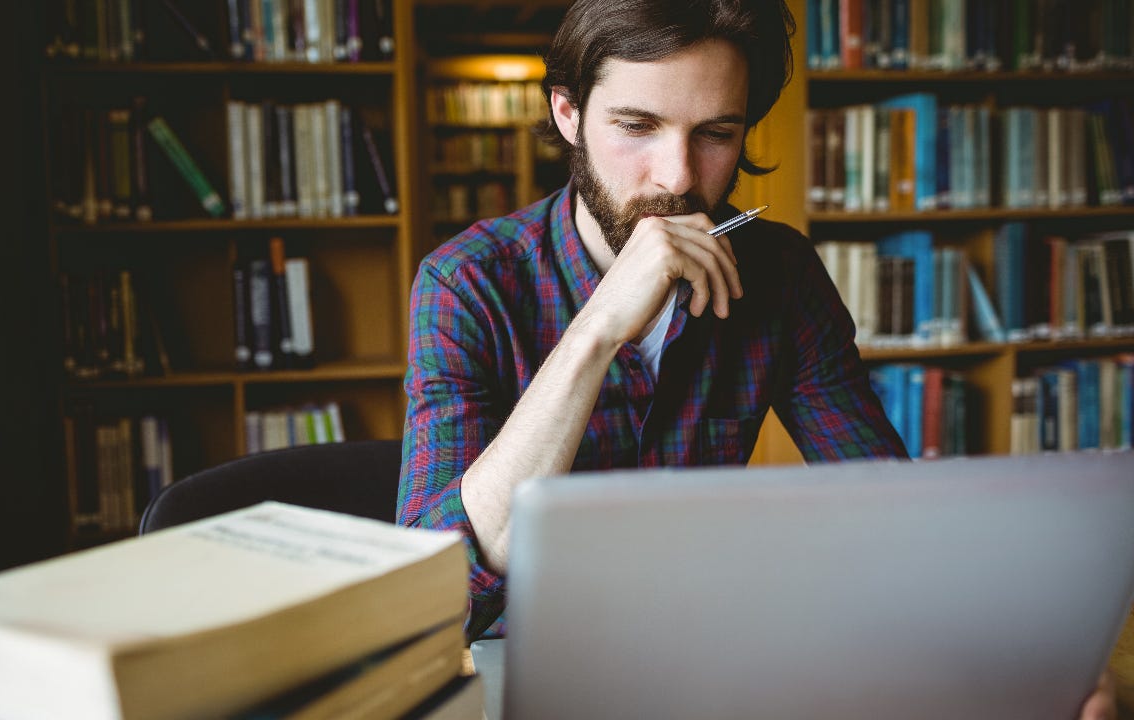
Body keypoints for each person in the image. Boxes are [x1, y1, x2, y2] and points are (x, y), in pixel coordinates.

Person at [396, 0, 1117, 715]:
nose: (677, 178)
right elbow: (430, 601)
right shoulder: (465, 284)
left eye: (714, 133)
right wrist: (597, 330)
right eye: (637, 126)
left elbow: (889, 514)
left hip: (712, 668)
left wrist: (1032, 660)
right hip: (517, 678)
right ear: (567, 113)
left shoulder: (781, 276)